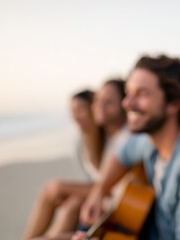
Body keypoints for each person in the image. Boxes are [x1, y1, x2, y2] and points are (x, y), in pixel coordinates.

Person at [76, 55, 180, 240]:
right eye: (128, 93)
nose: (127, 103)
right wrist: (99, 191)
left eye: (142, 94)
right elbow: (122, 153)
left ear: (173, 104)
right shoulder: (150, 142)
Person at [23, 79, 130, 240]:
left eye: (108, 102)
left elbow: (117, 187)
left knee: (56, 188)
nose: (99, 106)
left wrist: (98, 191)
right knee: (70, 205)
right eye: (98, 100)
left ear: (124, 105)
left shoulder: (127, 138)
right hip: (106, 200)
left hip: (116, 203)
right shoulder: (105, 137)